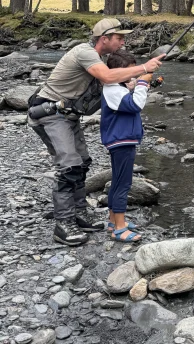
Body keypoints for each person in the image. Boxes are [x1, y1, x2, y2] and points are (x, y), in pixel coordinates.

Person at [28, 18, 164, 246]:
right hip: (50, 114)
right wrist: (144, 68)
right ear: (104, 38)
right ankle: (63, 224)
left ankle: (79, 213)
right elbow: (109, 78)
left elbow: (114, 85)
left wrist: (137, 83)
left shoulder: (99, 58)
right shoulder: (85, 53)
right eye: (119, 38)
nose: (122, 42)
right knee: (69, 165)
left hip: (69, 116)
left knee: (82, 162)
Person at [101, 50, 151, 242]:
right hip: (122, 141)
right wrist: (143, 83)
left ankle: (113, 221)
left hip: (120, 140)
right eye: (130, 72)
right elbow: (135, 105)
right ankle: (119, 229)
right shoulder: (113, 89)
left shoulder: (114, 87)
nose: (134, 75)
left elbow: (127, 99)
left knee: (117, 181)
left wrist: (136, 84)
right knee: (123, 184)